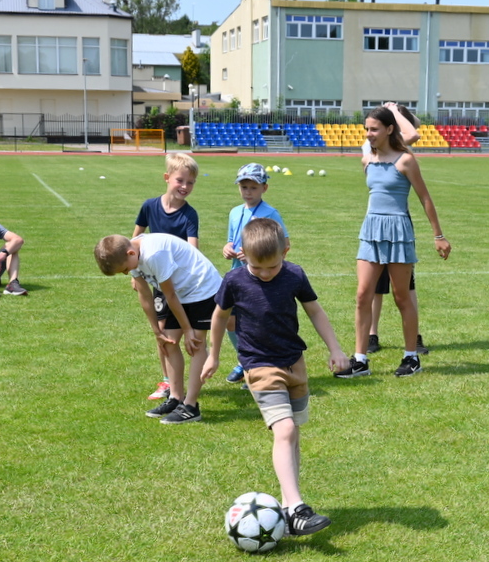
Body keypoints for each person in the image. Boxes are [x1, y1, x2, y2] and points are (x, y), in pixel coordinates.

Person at [201, 219, 348, 536]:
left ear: (286, 251)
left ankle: (287, 507)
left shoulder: (294, 274)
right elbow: (219, 317)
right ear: (243, 256)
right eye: (257, 268)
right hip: (259, 365)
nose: (266, 274)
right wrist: (214, 355)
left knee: (293, 433)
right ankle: (296, 507)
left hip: (294, 364)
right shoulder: (235, 281)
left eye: (273, 267)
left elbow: (315, 311)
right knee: (284, 429)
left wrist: (335, 348)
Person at [336, 106, 451, 379]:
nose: (369, 134)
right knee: (363, 294)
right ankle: (360, 359)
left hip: (399, 231)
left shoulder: (406, 161)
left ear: (389, 130)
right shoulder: (366, 161)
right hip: (371, 231)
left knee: (402, 297)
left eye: (374, 129)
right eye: (367, 129)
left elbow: (425, 198)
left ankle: (411, 357)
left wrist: (438, 235)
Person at [95, 232, 221, 424]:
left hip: (200, 288)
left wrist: (187, 329)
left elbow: (169, 295)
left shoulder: (154, 254)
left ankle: (191, 406)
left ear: (130, 253)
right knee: (167, 343)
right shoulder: (133, 257)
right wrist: (156, 331)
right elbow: (145, 295)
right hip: (179, 293)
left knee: (195, 343)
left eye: (124, 269)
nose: (126, 273)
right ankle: (176, 398)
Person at [362, 103, 430, 357]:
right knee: (372, 288)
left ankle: (411, 338)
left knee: (404, 288)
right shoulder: (371, 146)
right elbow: (412, 135)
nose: (369, 132)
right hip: (376, 225)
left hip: (397, 223)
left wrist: (397, 113)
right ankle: (371, 335)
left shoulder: (399, 153)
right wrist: (396, 114)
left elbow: (413, 131)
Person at [134, 153, 201, 401]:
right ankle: (167, 380)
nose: (185, 187)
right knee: (162, 330)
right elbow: (135, 239)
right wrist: (135, 272)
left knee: (189, 329)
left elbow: (193, 249)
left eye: (190, 182)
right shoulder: (149, 206)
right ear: (167, 178)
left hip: (182, 283)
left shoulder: (189, 215)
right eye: (180, 180)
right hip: (158, 280)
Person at [221, 163, 289, 385]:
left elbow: (284, 245)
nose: (248, 192)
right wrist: (227, 248)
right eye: (244, 187)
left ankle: (262, 365)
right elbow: (232, 239)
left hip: (261, 277)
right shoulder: (234, 212)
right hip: (237, 275)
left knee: (258, 322)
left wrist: (258, 259)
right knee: (230, 319)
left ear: (264, 188)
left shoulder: (271, 214)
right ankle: (245, 360)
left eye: (253, 187)